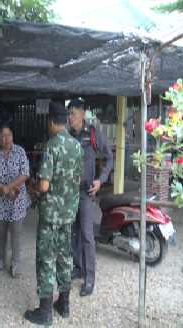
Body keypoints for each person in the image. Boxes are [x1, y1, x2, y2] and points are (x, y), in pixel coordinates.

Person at [24, 102, 83, 325]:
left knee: (46, 258)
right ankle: (64, 304)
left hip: (50, 215)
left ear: (50, 122)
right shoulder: (76, 146)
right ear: (66, 120)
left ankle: (45, 311)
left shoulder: (51, 146)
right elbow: (77, 179)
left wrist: (33, 184)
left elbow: (45, 186)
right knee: (64, 256)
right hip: (68, 214)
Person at [67, 98, 113, 296]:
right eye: (68, 114)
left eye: (73, 114)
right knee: (74, 232)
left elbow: (109, 157)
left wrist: (100, 180)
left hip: (86, 192)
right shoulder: (67, 135)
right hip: (70, 192)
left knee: (87, 235)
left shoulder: (93, 134)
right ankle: (77, 268)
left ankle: (90, 278)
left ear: (82, 114)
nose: (70, 118)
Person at [0, 123, 30, 278]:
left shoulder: (20, 151)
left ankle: (15, 264)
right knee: (1, 231)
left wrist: (9, 187)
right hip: (0, 200)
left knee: (16, 232)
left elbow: (25, 174)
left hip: (17, 198)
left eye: (9, 135)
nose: (6, 139)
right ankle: (0, 260)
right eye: (3, 135)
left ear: (12, 136)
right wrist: (2, 189)